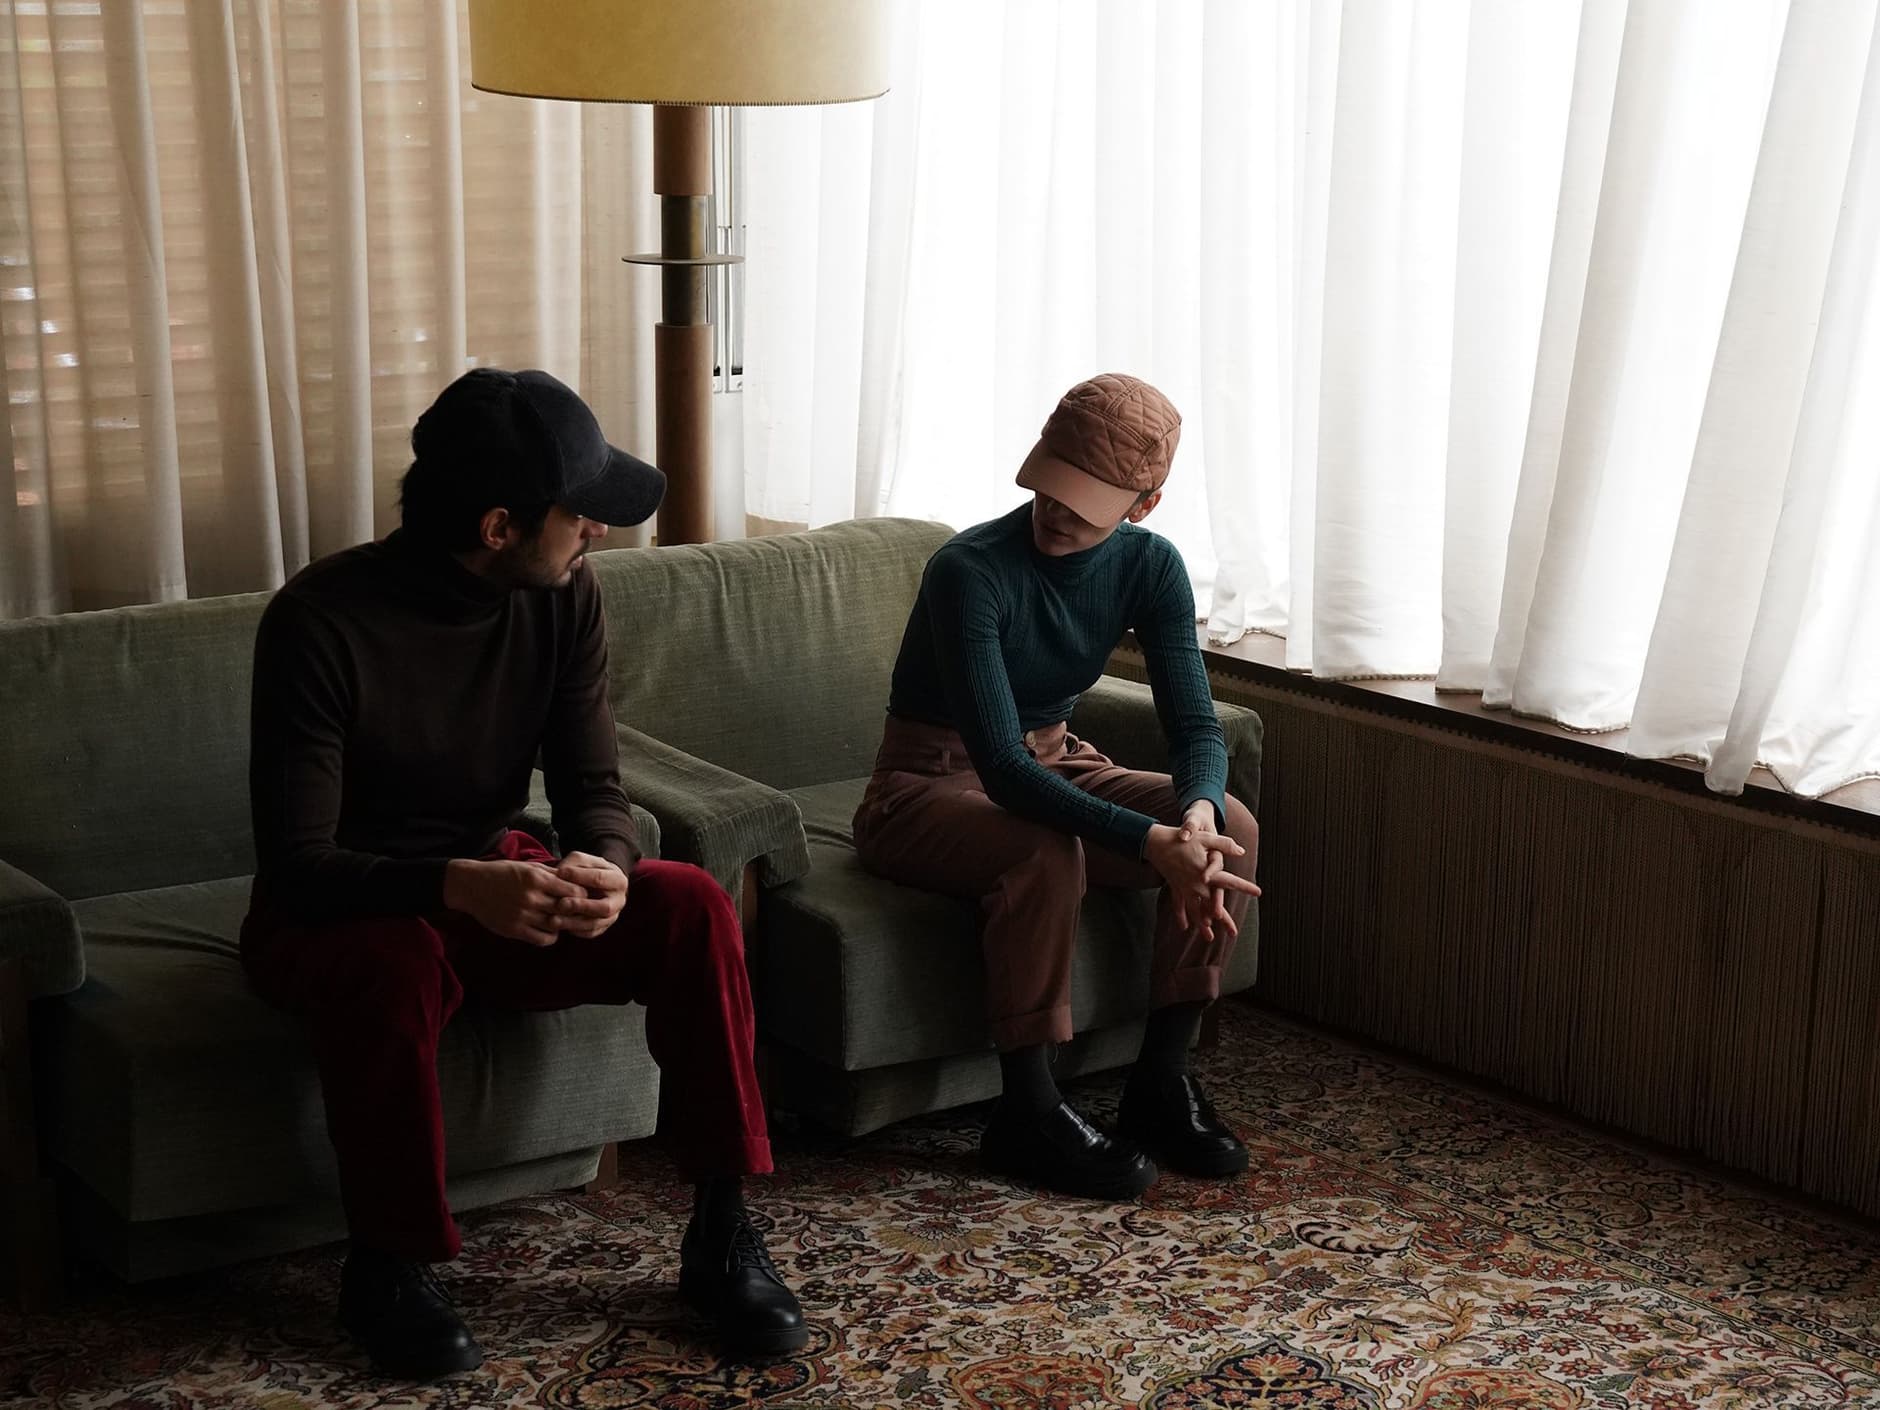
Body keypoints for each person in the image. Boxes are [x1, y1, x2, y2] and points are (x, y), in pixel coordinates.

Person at [242, 368, 805, 1380]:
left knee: (690, 902)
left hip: (490, 887)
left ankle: (721, 1229)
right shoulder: (319, 622)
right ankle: (388, 1265)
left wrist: (608, 862)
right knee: (394, 964)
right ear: (498, 526)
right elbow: (298, 865)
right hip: (344, 911)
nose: (599, 527)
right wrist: (458, 885)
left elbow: (593, 783)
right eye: (577, 510)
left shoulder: (564, 594)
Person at [854, 372, 1262, 1200]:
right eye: (1050, 482)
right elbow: (1002, 769)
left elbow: (1195, 727)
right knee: (1043, 851)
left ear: (1144, 505)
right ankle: (1028, 1112)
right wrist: (1149, 842)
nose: (1056, 509)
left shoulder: (1151, 567)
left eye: (1086, 500)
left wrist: (1192, 819)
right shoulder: (968, 571)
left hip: (1057, 756)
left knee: (1234, 826)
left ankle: (1160, 1080)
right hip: (924, 783)